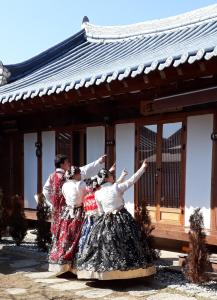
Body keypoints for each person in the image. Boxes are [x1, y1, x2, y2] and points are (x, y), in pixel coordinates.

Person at [76, 160, 156, 280]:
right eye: (110, 175)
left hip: (105, 220)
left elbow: (101, 211)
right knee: (129, 242)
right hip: (122, 217)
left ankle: (105, 272)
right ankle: (130, 271)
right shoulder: (116, 188)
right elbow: (132, 180)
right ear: (107, 178)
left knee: (103, 245)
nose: (112, 176)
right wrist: (142, 168)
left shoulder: (98, 193)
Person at [44, 154, 106, 274]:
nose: (69, 164)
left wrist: (52, 203)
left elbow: (45, 190)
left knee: (61, 235)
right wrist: (98, 162)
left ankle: (59, 262)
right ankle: (74, 264)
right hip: (75, 211)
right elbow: (84, 172)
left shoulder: (52, 176)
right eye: (67, 162)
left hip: (62, 211)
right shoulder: (72, 179)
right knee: (77, 236)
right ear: (62, 164)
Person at [75, 168, 128, 269]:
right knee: (90, 239)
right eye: (87, 185)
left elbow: (114, 185)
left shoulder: (98, 193)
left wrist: (122, 176)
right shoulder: (87, 197)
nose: (89, 187)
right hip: (92, 221)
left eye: (91, 185)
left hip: (99, 219)